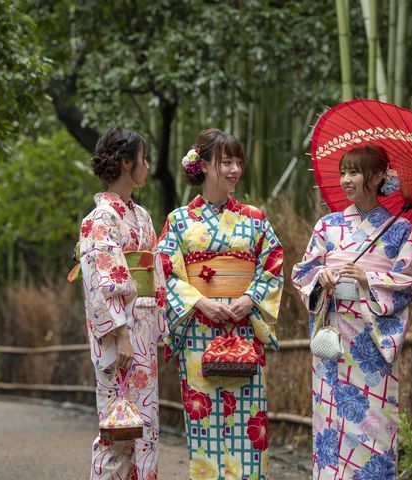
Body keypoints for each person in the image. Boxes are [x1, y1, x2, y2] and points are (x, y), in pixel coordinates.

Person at [292, 145, 412, 479]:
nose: (346, 180)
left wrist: (370, 278)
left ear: (379, 176)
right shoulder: (328, 225)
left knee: (374, 427)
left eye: (355, 172)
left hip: (372, 339)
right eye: (344, 172)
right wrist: (321, 279)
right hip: (334, 333)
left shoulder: (400, 230)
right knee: (331, 422)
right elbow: (302, 274)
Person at [157, 128, 284, 480]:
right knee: (204, 423)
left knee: (249, 420)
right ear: (203, 165)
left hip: (243, 328)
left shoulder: (256, 218)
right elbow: (164, 271)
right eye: (225, 161)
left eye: (238, 162)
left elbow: (273, 262)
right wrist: (198, 302)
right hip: (199, 329)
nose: (234, 170)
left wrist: (250, 298)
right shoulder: (178, 220)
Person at [78, 127, 167, 480]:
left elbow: (155, 272)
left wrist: (159, 328)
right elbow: (101, 284)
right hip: (120, 337)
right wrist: (121, 334)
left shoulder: (141, 216)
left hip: (142, 329)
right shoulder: (99, 220)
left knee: (145, 428)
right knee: (117, 429)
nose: (147, 165)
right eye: (144, 158)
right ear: (127, 163)